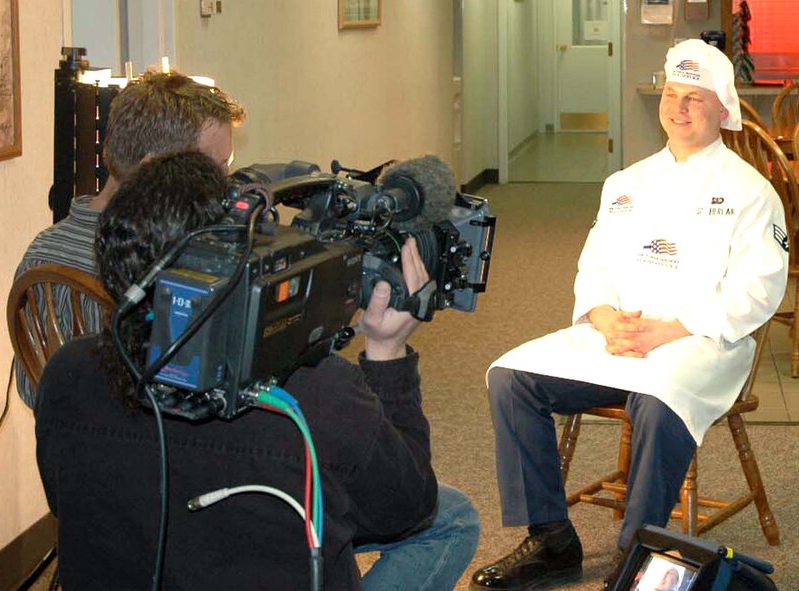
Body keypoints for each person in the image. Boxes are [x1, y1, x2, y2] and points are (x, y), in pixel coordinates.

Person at [35, 151, 480, 590]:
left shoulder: (66, 372)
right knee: (453, 517)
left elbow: (65, 501)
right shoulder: (323, 394)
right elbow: (409, 507)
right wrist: (388, 350)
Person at [469, 39, 789, 590]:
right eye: (672, 94)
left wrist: (669, 330)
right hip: (616, 336)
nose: (680, 107)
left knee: (659, 399)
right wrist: (602, 317)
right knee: (510, 377)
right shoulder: (625, 185)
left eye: (695, 98)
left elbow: (759, 291)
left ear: (722, 110)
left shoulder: (750, 192)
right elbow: (593, 267)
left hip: (699, 342)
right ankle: (551, 538)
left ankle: (635, 552)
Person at [14, 69, 244, 409]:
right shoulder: (170, 267)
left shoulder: (40, 254)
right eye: (215, 167)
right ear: (152, 171)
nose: (226, 183)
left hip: (71, 447)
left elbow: (32, 390)